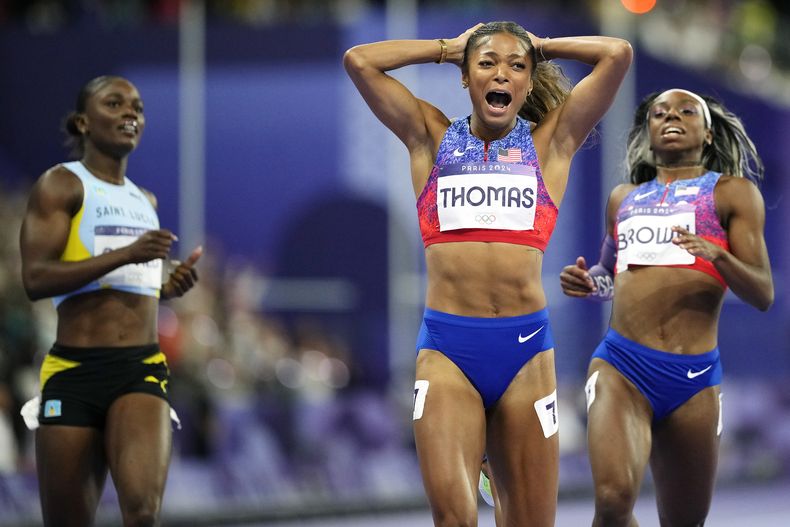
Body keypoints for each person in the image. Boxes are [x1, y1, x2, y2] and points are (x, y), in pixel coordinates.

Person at [344, 21, 632, 525]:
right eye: (487, 63)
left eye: (516, 67)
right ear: (466, 77)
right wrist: (447, 48)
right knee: (455, 518)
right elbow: (359, 61)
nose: (502, 73)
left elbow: (617, 53)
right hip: (448, 351)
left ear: (526, 81)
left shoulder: (552, 144)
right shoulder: (429, 136)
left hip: (526, 355)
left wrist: (539, 46)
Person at [559, 88, 773, 526]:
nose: (671, 117)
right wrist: (588, 283)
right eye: (659, 113)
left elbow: (762, 293)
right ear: (649, 131)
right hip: (621, 366)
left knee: (684, 520)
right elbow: (609, 274)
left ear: (708, 134)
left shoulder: (732, 195)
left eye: (685, 111)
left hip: (692, 380)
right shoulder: (623, 198)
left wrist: (719, 256)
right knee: (614, 501)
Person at [19, 75, 202, 527]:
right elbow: (36, 278)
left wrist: (165, 289)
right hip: (73, 372)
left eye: (137, 107)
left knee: (141, 512)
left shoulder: (146, 200)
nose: (130, 114)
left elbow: (127, 284)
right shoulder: (61, 186)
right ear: (83, 122)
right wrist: (129, 253)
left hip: (138, 368)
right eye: (115, 103)